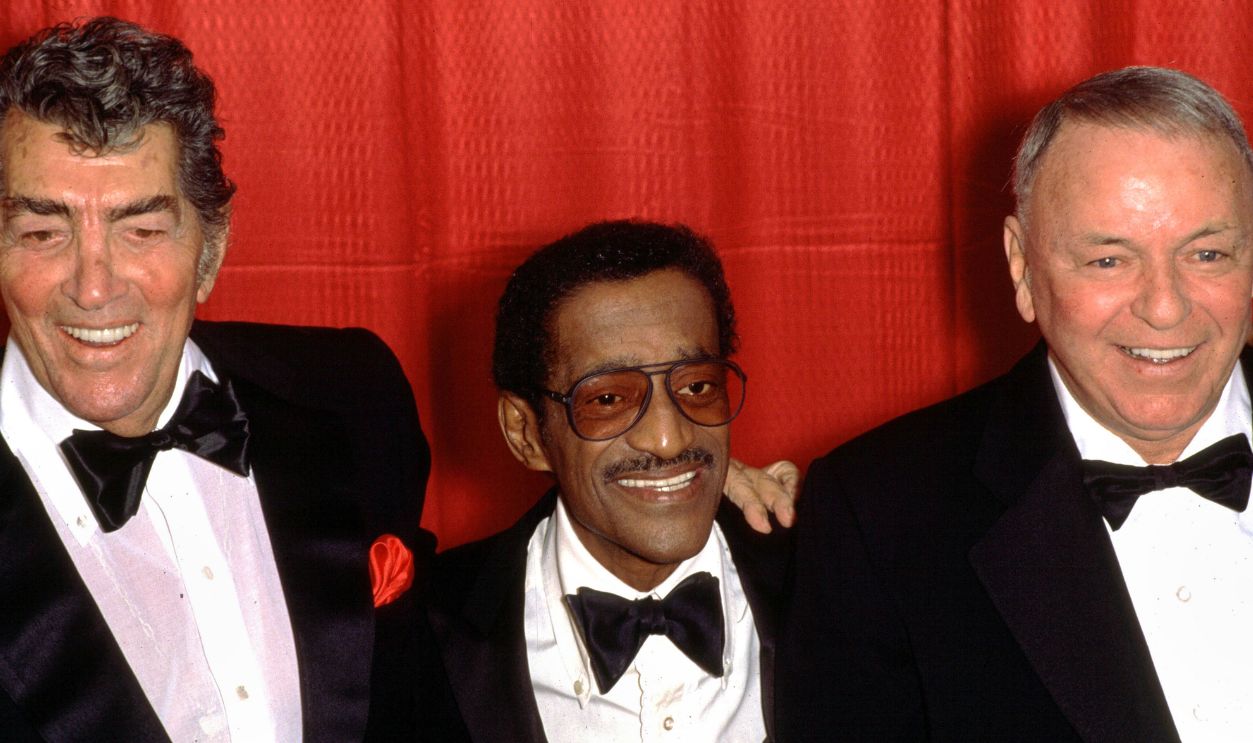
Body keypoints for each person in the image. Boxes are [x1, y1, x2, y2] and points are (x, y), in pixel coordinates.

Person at [778, 66, 1253, 742]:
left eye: (1206, 253)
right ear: (1021, 267)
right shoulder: (878, 513)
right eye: (1108, 261)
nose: (1163, 306)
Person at [0, 18, 431, 742]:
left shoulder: (354, 394)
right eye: (44, 232)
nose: (95, 287)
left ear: (212, 247)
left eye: (141, 230)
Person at [417, 220, 790, 741]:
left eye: (698, 385)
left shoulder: (830, 582)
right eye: (608, 399)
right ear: (526, 433)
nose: (669, 438)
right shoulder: (418, 634)